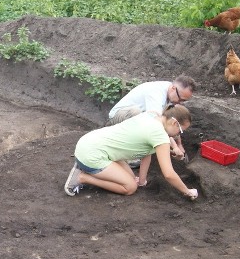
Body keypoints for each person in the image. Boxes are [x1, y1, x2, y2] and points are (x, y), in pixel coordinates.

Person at [64, 104, 198, 200]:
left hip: (90, 142)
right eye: (181, 131)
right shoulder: (159, 135)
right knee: (130, 187)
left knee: (133, 179)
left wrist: (142, 181)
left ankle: (85, 166)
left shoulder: (152, 115)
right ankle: (82, 177)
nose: (178, 135)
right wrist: (187, 191)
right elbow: (168, 174)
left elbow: (147, 154)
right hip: (92, 153)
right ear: (174, 123)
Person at [107, 75, 197, 166]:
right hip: (118, 118)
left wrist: (179, 144)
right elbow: (158, 124)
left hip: (140, 119)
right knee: (137, 113)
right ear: (173, 88)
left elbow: (172, 122)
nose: (180, 102)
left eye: (183, 101)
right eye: (180, 98)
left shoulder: (171, 95)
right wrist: (174, 146)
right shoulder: (156, 93)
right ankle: (128, 155)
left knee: (168, 130)